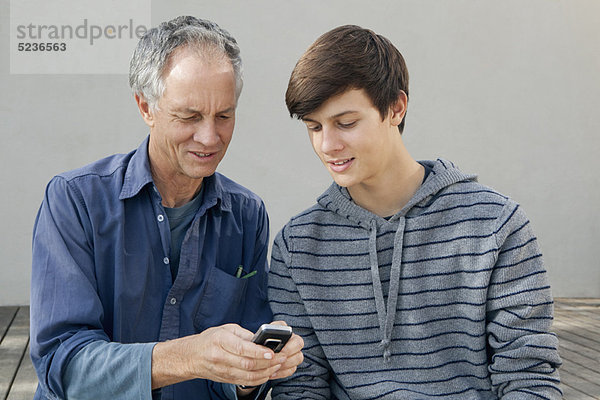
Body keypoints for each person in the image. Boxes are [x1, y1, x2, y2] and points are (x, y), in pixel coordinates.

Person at [268, 25, 562, 399]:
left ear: (395, 108)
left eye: (346, 123)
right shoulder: (298, 246)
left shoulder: (495, 225)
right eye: (314, 127)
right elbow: (300, 386)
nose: (327, 144)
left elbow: (529, 378)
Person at [30, 16, 303, 400]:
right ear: (146, 107)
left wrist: (249, 372)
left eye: (224, 115)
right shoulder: (73, 201)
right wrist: (189, 357)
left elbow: (231, 372)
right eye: (189, 116)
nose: (210, 137)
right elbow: (63, 364)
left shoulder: (247, 215)